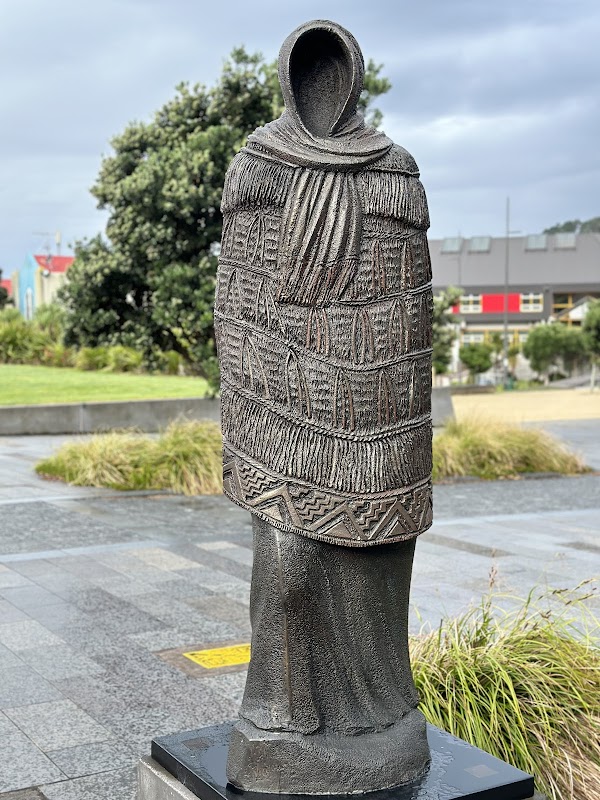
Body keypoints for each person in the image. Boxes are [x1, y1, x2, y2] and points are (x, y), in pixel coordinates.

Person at [215, 19, 433, 793]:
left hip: (374, 418)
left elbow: (410, 307)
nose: (322, 89)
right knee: (288, 570)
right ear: (289, 79)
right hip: (283, 409)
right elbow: (237, 299)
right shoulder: (257, 167)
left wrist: (394, 421)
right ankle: (279, 721)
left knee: (369, 576)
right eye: (311, 74)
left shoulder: (395, 170)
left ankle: (379, 721)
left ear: (353, 79)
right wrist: (258, 393)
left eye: (333, 74)